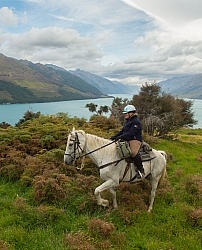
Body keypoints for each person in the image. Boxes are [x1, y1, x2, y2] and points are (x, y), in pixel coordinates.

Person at [110, 104, 145, 178]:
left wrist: (121, 137)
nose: (125, 115)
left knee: (132, 153)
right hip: (126, 139)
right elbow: (122, 132)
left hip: (134, 139)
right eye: (125, 113)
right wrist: (114, 137)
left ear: (131, 113)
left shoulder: (136, 122)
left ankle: (141, 170)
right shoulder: (127, 121)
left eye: (126, 113)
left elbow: (131, 133)